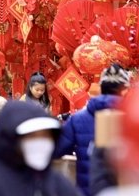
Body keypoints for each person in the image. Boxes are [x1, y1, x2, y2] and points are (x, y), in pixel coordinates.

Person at [0, 101, 81, 196]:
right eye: (32, 137)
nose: (40, 143)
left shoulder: (58, 183)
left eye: (45, 136)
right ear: (11, 139)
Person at [55, 63, 129, 196]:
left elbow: (58, 149)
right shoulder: (132, 118)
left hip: (87, 190)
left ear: (101, 88)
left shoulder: (77, 119)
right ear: (124, 90)